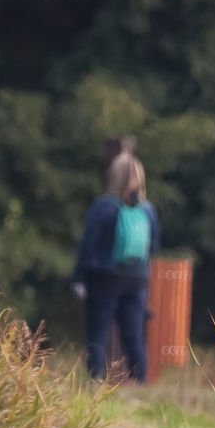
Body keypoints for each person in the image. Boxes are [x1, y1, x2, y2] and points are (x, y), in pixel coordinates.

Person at [71, 152, 160, 382]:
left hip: (104, 277)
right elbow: (153, 246)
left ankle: (95, 381)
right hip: (137, 279)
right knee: (134, 336)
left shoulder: (103, 207)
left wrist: (78, 278)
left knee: (98, 334)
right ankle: (140, 383)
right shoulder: (147, 210)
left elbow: (88, 245)